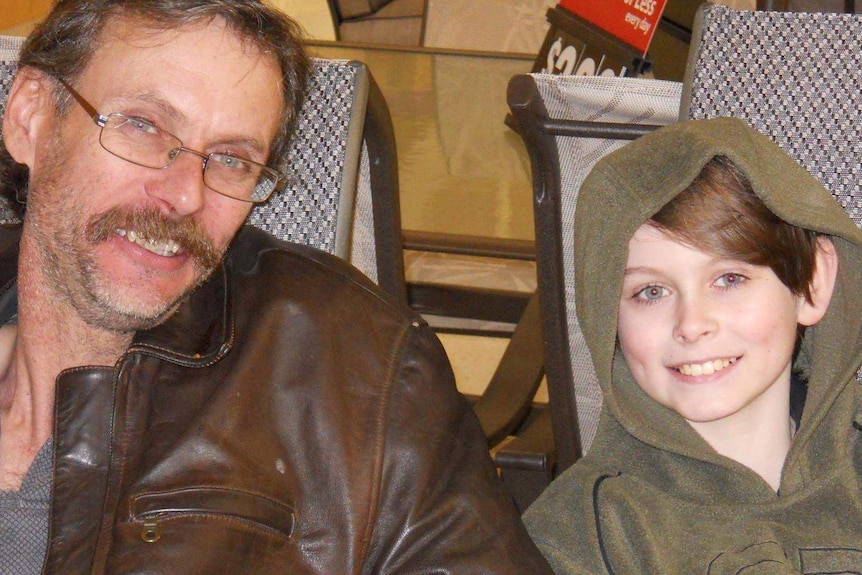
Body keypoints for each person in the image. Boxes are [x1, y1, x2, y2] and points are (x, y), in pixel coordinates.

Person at [0, 1, 553, 573]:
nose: (187, 194)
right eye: (143, 126)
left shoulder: (364, 375)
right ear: (30, 117)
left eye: (232, 160)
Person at [523, 117, 862, 574]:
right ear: (608, 318)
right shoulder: (579, 537)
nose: (692, 324)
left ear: (811, 283)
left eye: (729, 279)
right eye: (650, 292)